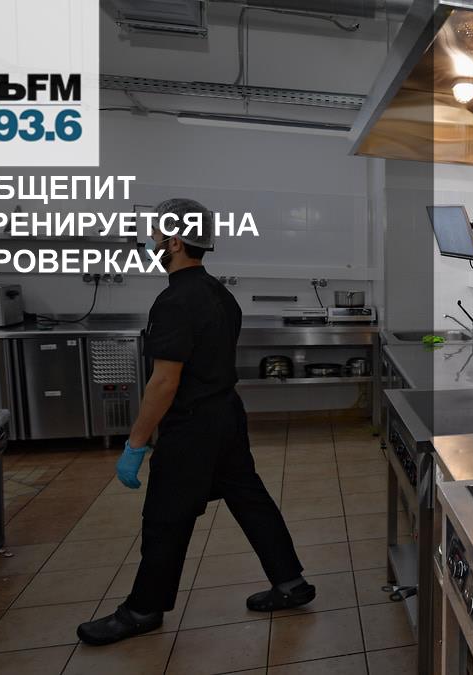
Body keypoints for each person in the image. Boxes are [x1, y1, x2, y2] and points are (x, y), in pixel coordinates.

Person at [77, 198, 315, 645]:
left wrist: (135, 443)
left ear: (175, 242)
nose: (151, 242)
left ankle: (142, 610)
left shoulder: (174, 301)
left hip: (192, 427)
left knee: (165, 517)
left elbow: (164, 382)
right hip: (226, 415)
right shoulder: (220, 294)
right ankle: (290, 582)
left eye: (156, 235)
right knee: (250, 499)